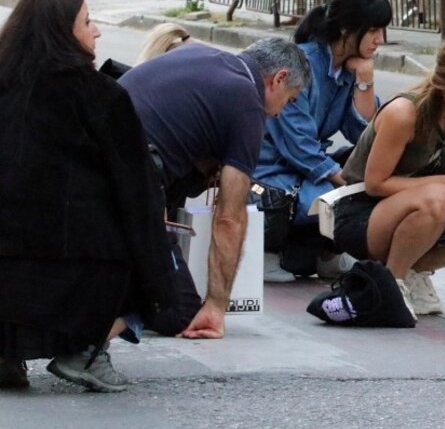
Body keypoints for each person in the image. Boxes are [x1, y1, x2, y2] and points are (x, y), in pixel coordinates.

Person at [0, 0, 173, 392]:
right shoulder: (99, 96)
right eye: (88, 22)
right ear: (62, 31)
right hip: (79, 261)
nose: (96, 32)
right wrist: (156, 270)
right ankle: (85, 350)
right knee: (147, 260)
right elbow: (136, 187)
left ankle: (7, 354)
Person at [119, 37, 310, 339]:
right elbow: (229, 218)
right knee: (178, 311)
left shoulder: (198, 53)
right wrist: (216, 306)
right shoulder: (249, 104)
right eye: (290, 99)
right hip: (126, 182)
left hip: (96, 161)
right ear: (279, 79)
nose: (281, 112)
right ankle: (93, 336)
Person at [333, 36, 445, 319]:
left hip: (420, 208)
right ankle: (390, 284)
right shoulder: (404, 113)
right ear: (443, 84)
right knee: (438, 196)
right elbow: (375, 184)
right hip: (361, 212)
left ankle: (414, 271)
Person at [254, 0, 392, 282]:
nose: (379, 40)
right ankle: (263, 252)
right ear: (346, 29)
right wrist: (344, 179)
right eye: (373, 30)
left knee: (357, 190)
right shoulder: (301, 64)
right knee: (339, 200)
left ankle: (327, 256)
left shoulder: (346, 70)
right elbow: (297, 142)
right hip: (270, 167)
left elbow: (365, 134)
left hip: (305, 168)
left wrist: (364, 80)